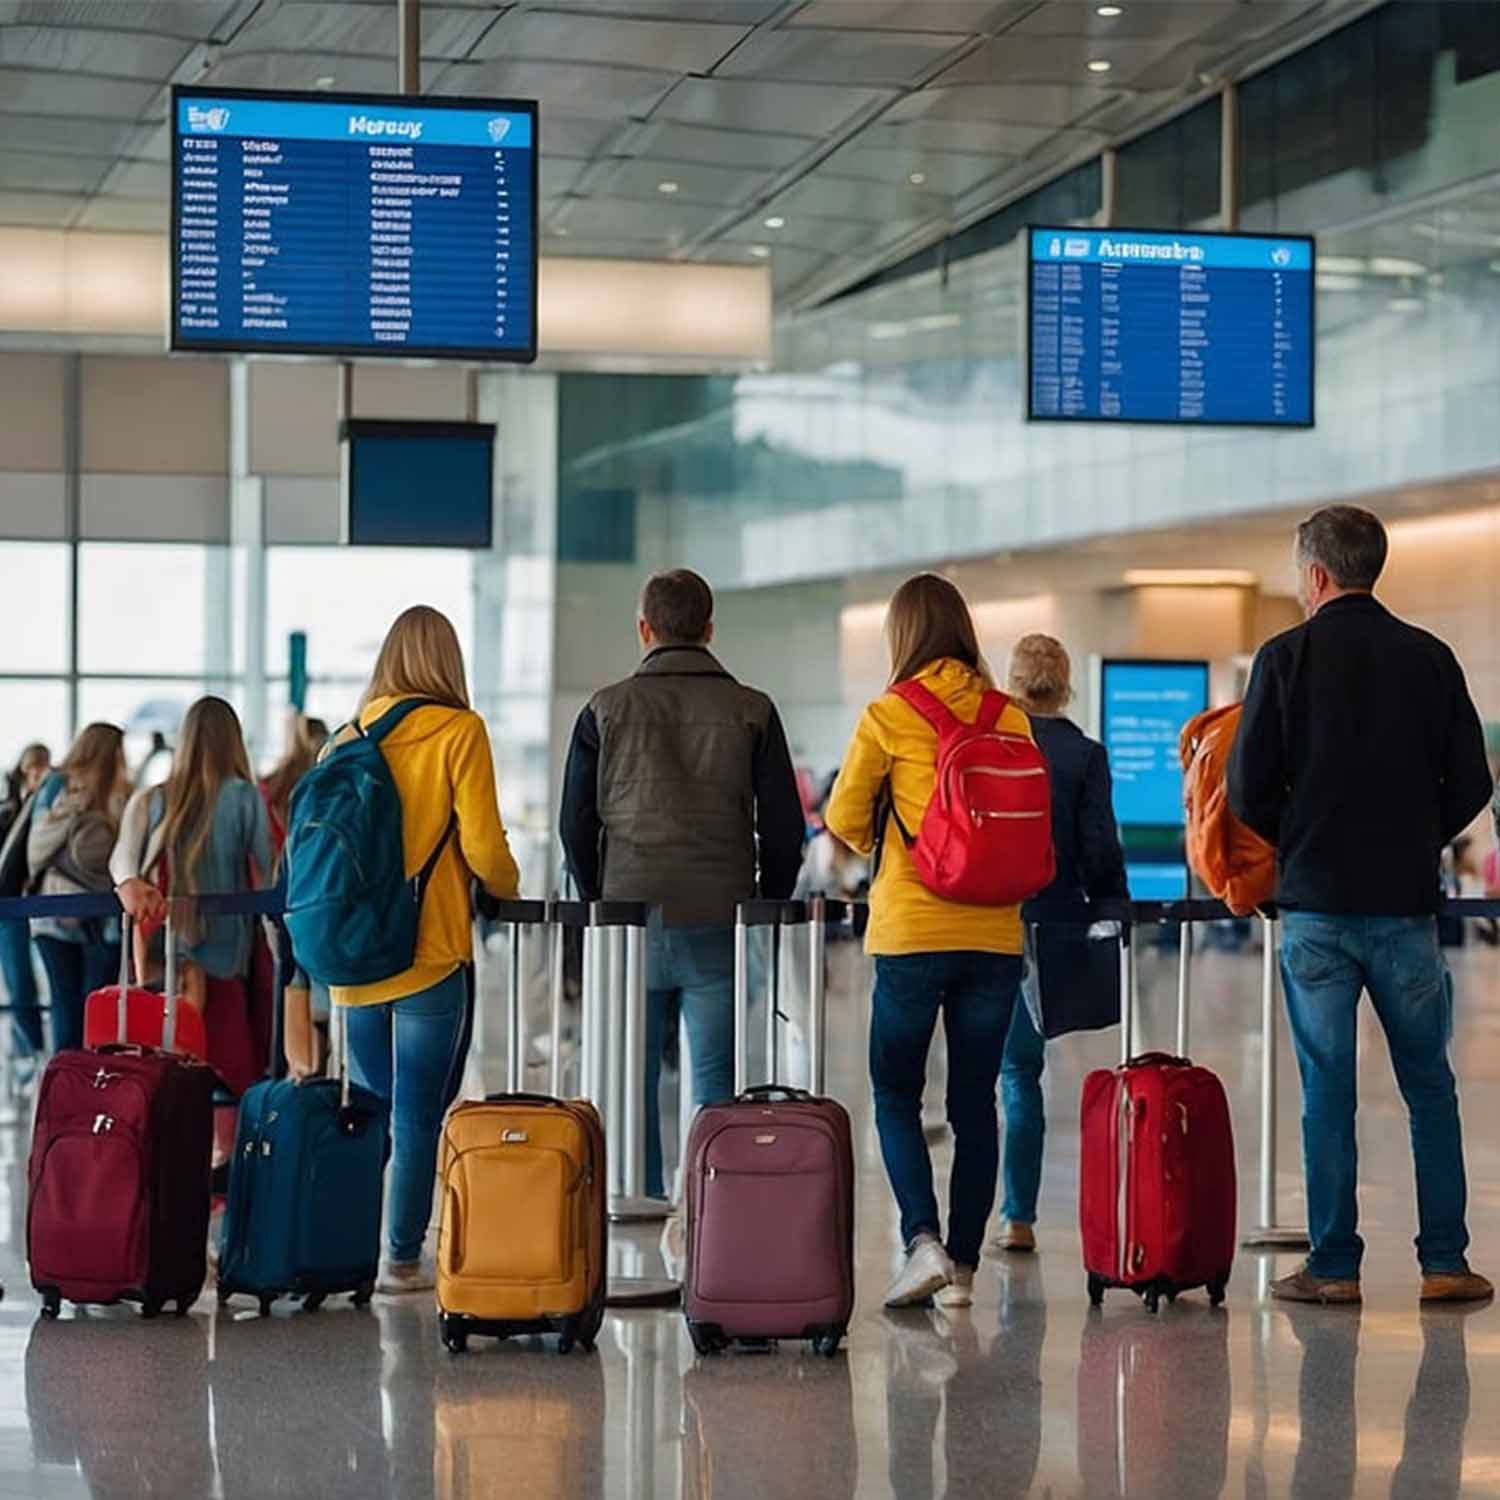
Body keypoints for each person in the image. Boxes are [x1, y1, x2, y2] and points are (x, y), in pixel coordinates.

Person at [1228, 504, 1494, 1305]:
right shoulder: (1430, 658)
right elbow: (1473, 782)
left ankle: (1336, 1267)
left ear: (1315, 575)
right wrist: (1417, 837)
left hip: (1315, 911)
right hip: (1406, 907)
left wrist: (1302, 838)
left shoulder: (1284, 659)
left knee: (1327, 1089)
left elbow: (1245, 789)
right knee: (1428, 1085)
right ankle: (1444, 1262)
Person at [559, 568, 805, 1202]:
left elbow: (574, 823)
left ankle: (640, 1203)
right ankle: (709, 1209)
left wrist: (598, 901)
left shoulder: (603, 709)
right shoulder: (754, 709)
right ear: (709, 629)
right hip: (719, 915)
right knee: (713, 1078)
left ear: (644, 629)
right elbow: (784, 828)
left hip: (628, 919)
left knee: (632, 1077)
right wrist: (766, 903)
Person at [824, 573, 1032, 1309]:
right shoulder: (1011, 718)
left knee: (894, 1093)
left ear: (902, 636)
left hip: (912, 929)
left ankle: (923, 1243)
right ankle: (966, 1269)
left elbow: (845, 820)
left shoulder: (889, 715)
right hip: (996, 935)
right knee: (977, 1102)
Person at [327, 606, 520, 1293]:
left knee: (374, 1110)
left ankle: (350, 1243)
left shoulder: (345, 737)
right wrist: (507, 887)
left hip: (354, 964)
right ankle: (402, 1256)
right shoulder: (459, 731)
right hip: (429, 951)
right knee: (416, 1116)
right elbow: (484, 847)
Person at [995, 634, 1127, 1254]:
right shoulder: (1084, 755)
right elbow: (1100, 847)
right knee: (1023, 1073)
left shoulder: (991, 744)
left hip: (985, 920)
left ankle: (960, 1222)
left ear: (1012, 685)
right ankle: (1017, 1216)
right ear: (1067, 686)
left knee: (983, 1074)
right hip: (1052, 924)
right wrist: (1111, 912)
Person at [111, 698, 273, 1109]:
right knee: (230, 1080)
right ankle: (223, 1164)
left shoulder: (152, 800)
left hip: (165, 962)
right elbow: (270, 873)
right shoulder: (243, 797)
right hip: (225, 959)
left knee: (169, 1072)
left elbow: (123, 867)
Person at [28, 727, 128, 1053]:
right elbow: (38, 847)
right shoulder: (63, 787)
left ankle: (81, 1087)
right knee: (71, 1010)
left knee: (89, 1011)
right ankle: (68, 1090)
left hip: (78, 919)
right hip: (68, 916)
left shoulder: (116, 792)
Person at [0, 743, 51, 1068]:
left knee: (26, 986)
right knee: (20, 985)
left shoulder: (43, 803)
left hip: (29, 908)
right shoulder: (11, 809)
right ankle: (27, 1053)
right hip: (13, 908)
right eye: (32, 769)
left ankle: (31, 1053)